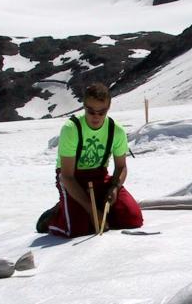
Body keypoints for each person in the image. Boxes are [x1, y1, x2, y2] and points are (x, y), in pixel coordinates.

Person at [36, 82, 143, 236]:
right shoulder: (71, 129)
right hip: (73, 179)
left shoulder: (116, 131)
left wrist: (115, 187)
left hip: (99, 176)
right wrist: (91, 211)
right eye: (91, 111)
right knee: (77, 229)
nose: (96, 117)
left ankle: (93, 207)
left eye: (101, 112)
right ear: (84, 106)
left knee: (132, 219)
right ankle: (55, 215)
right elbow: (66, 176)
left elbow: (121, 167)